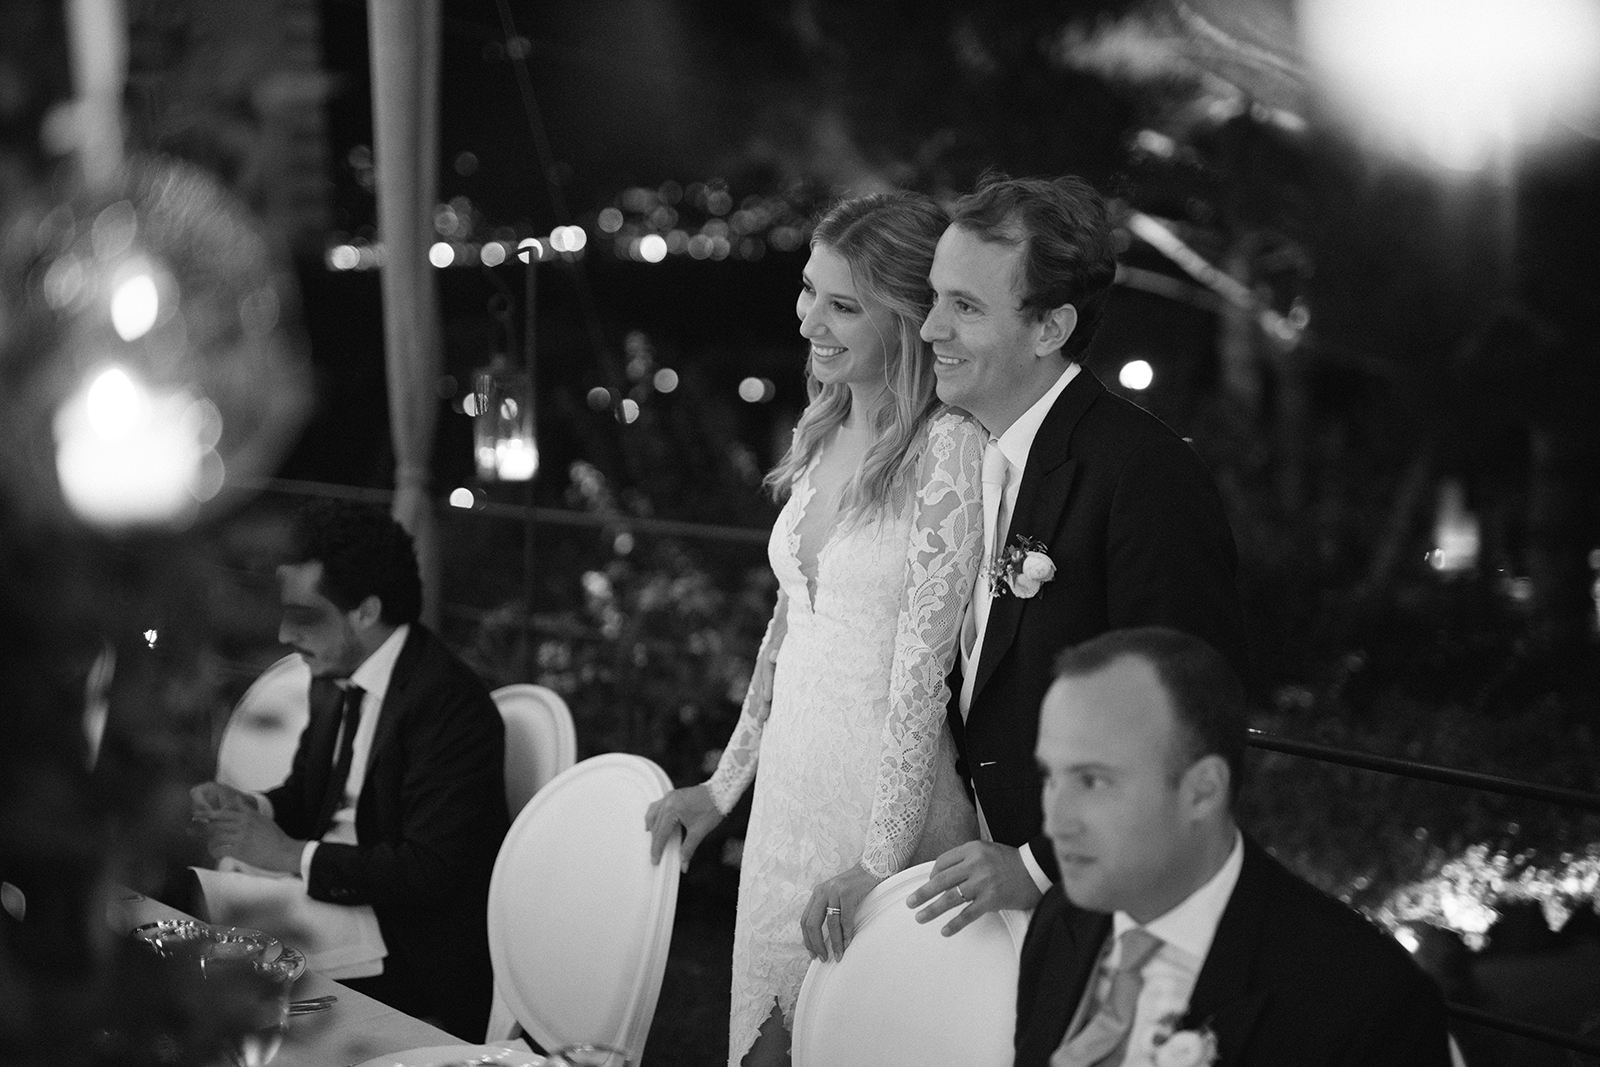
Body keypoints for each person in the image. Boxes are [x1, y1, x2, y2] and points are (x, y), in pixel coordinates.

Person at [644, 191, 985, 1067]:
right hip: (788, 801)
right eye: (807, 291)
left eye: (842, 305)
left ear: (908, 316)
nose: (808, 321)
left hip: (885, 811)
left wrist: (876, 862)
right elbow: (789, 628)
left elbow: (922, 683)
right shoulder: (823, 423)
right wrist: (722, 790)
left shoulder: (947, 449)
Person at [906, 173, 1246, 933]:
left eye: (964, 307)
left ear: (1050, 327)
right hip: (973, 882)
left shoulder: (1142, 471)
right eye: (935, 297)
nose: (930, 329)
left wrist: (1037, 864)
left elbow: (1191, 712)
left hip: (1095, 900)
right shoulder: (968, 456)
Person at [1015, 627, 1452, 1066]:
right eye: (1050, 778)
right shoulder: (1061, 923)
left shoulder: (1365, 1001)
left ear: (1202, 792)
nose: (1054, 824)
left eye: (1093, 781)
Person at [189, 502, 508, 1039]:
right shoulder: (333, 678)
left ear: (365, 611)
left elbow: (429, 872)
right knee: (176, 905)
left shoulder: (451, 705)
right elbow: (308, 795)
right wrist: (253, 808)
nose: (286, 634)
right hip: (323, 900)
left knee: (203, 958)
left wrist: (288, 854)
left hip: (404, 943)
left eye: (305, 615)